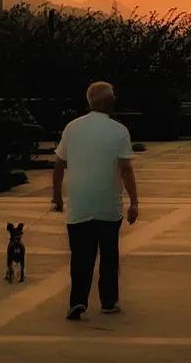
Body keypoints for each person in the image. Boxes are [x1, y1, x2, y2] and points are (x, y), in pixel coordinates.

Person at [52, 81, 139, 321]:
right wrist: (134, 201)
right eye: (112, 96)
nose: (115, 99)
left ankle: (78, 301)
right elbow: (125, 169)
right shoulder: (119, 130)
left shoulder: (72, 128)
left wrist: (57, 196)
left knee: (80, 257)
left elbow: (59, 165)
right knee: (109, 255)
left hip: (79, 204)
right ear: (106, 101)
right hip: (108, 205)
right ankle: (108, 301)